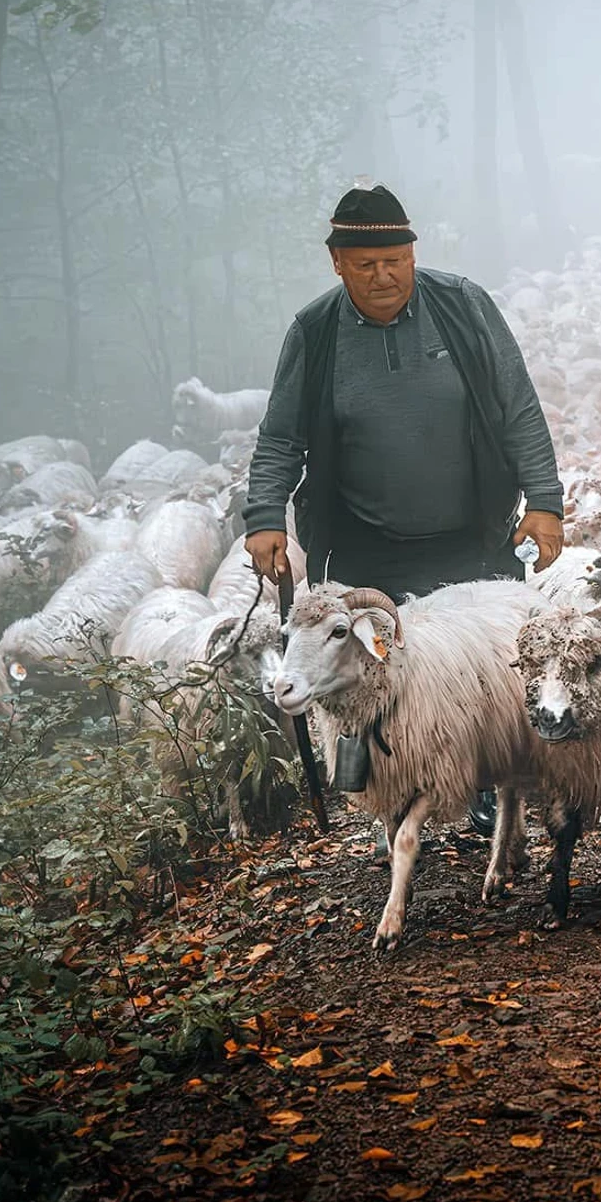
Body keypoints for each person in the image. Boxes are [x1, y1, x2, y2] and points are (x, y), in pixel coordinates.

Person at [243, 185, 565, 829]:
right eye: (365, 264)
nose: (384, 275)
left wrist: (546, 500)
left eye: (396, 259)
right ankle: (379, 792)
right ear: (337, 262)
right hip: (364, 540)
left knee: (486, 668)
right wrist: (265, 517)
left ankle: (486, 789)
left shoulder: (463, 307)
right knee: (365, 668)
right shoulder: (315, 332)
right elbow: (281, 436)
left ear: (413, 254)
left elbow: (518, 406)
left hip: (469, 531)